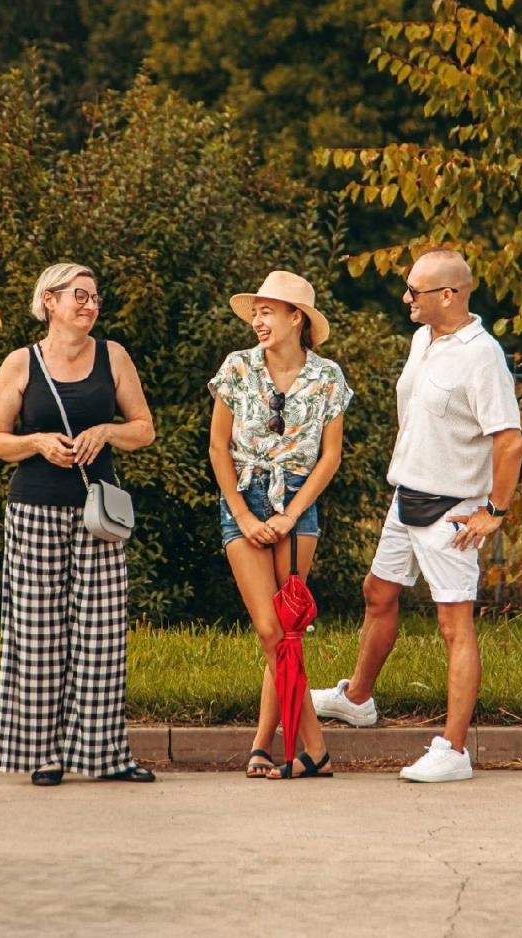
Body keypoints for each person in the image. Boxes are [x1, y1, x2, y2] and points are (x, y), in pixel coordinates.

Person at [311, 248, 522, 782]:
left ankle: (453, 751)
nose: (406, 298)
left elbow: (510, 441)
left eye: (415, 291)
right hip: (406, 498)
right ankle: (357, 699)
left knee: (454, 626)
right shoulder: (422, 339)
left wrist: (493, 511)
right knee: (377, 592)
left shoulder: (482, 356)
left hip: (451, 513)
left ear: (448, 295)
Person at [0, 262, 158, 787]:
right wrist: (36, 443)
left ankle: (106, 756)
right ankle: (43, 756)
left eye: (95, 297)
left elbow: (145, 429)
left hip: (98, 514)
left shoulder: (114, 356)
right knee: (37, 635)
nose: (89, 304)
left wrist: (105, 431)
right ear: (50, 301)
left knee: (102, 636)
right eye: (79, 296)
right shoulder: (20, 363)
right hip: (34, 510)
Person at [209, 271, 353, 779]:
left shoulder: (328, 377)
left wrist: (292, 513)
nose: (257, 320)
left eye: (268, 311)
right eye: (255, 312)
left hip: (299, 498)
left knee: (288, 632)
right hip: (244, 496)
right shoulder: (237, 368)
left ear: (298, 318)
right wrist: (245, 515)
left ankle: (263, 746)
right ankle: (314, 748)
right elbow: (217, 447)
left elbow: (331, 457)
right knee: (271, 631)